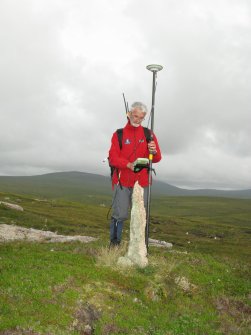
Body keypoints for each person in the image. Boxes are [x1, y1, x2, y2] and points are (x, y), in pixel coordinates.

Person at [108, 101, 162, 246]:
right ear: (129, 114)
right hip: (122, 182)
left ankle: (138, 246)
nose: (137, 119)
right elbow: (113, 158)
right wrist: (128, 165)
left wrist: (153, 151)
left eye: (141, 117)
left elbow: (157, 159)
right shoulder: (119, 134)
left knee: (139, 215)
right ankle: (114, 244)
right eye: (135, 115)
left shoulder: (148, 134)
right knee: (120, 214)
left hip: (142, 182)